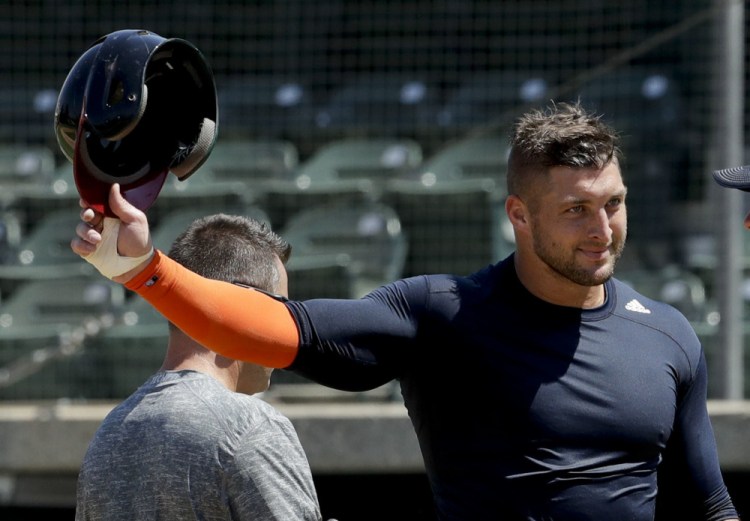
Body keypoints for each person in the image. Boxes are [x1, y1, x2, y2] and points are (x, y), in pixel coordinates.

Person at [72, 102, 739, 521]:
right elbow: (270, 328)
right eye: (575, 210)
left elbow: (706, 502)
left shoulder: (668, 334)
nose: (602, 228)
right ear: (520, 216)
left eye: (613, 203)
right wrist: (143, 269)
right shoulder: (442, 314)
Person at [75, 214, 323, 521]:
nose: (288, 325)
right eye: (282, 308)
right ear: (247, 303)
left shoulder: (110, 433)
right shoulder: (249, 426)